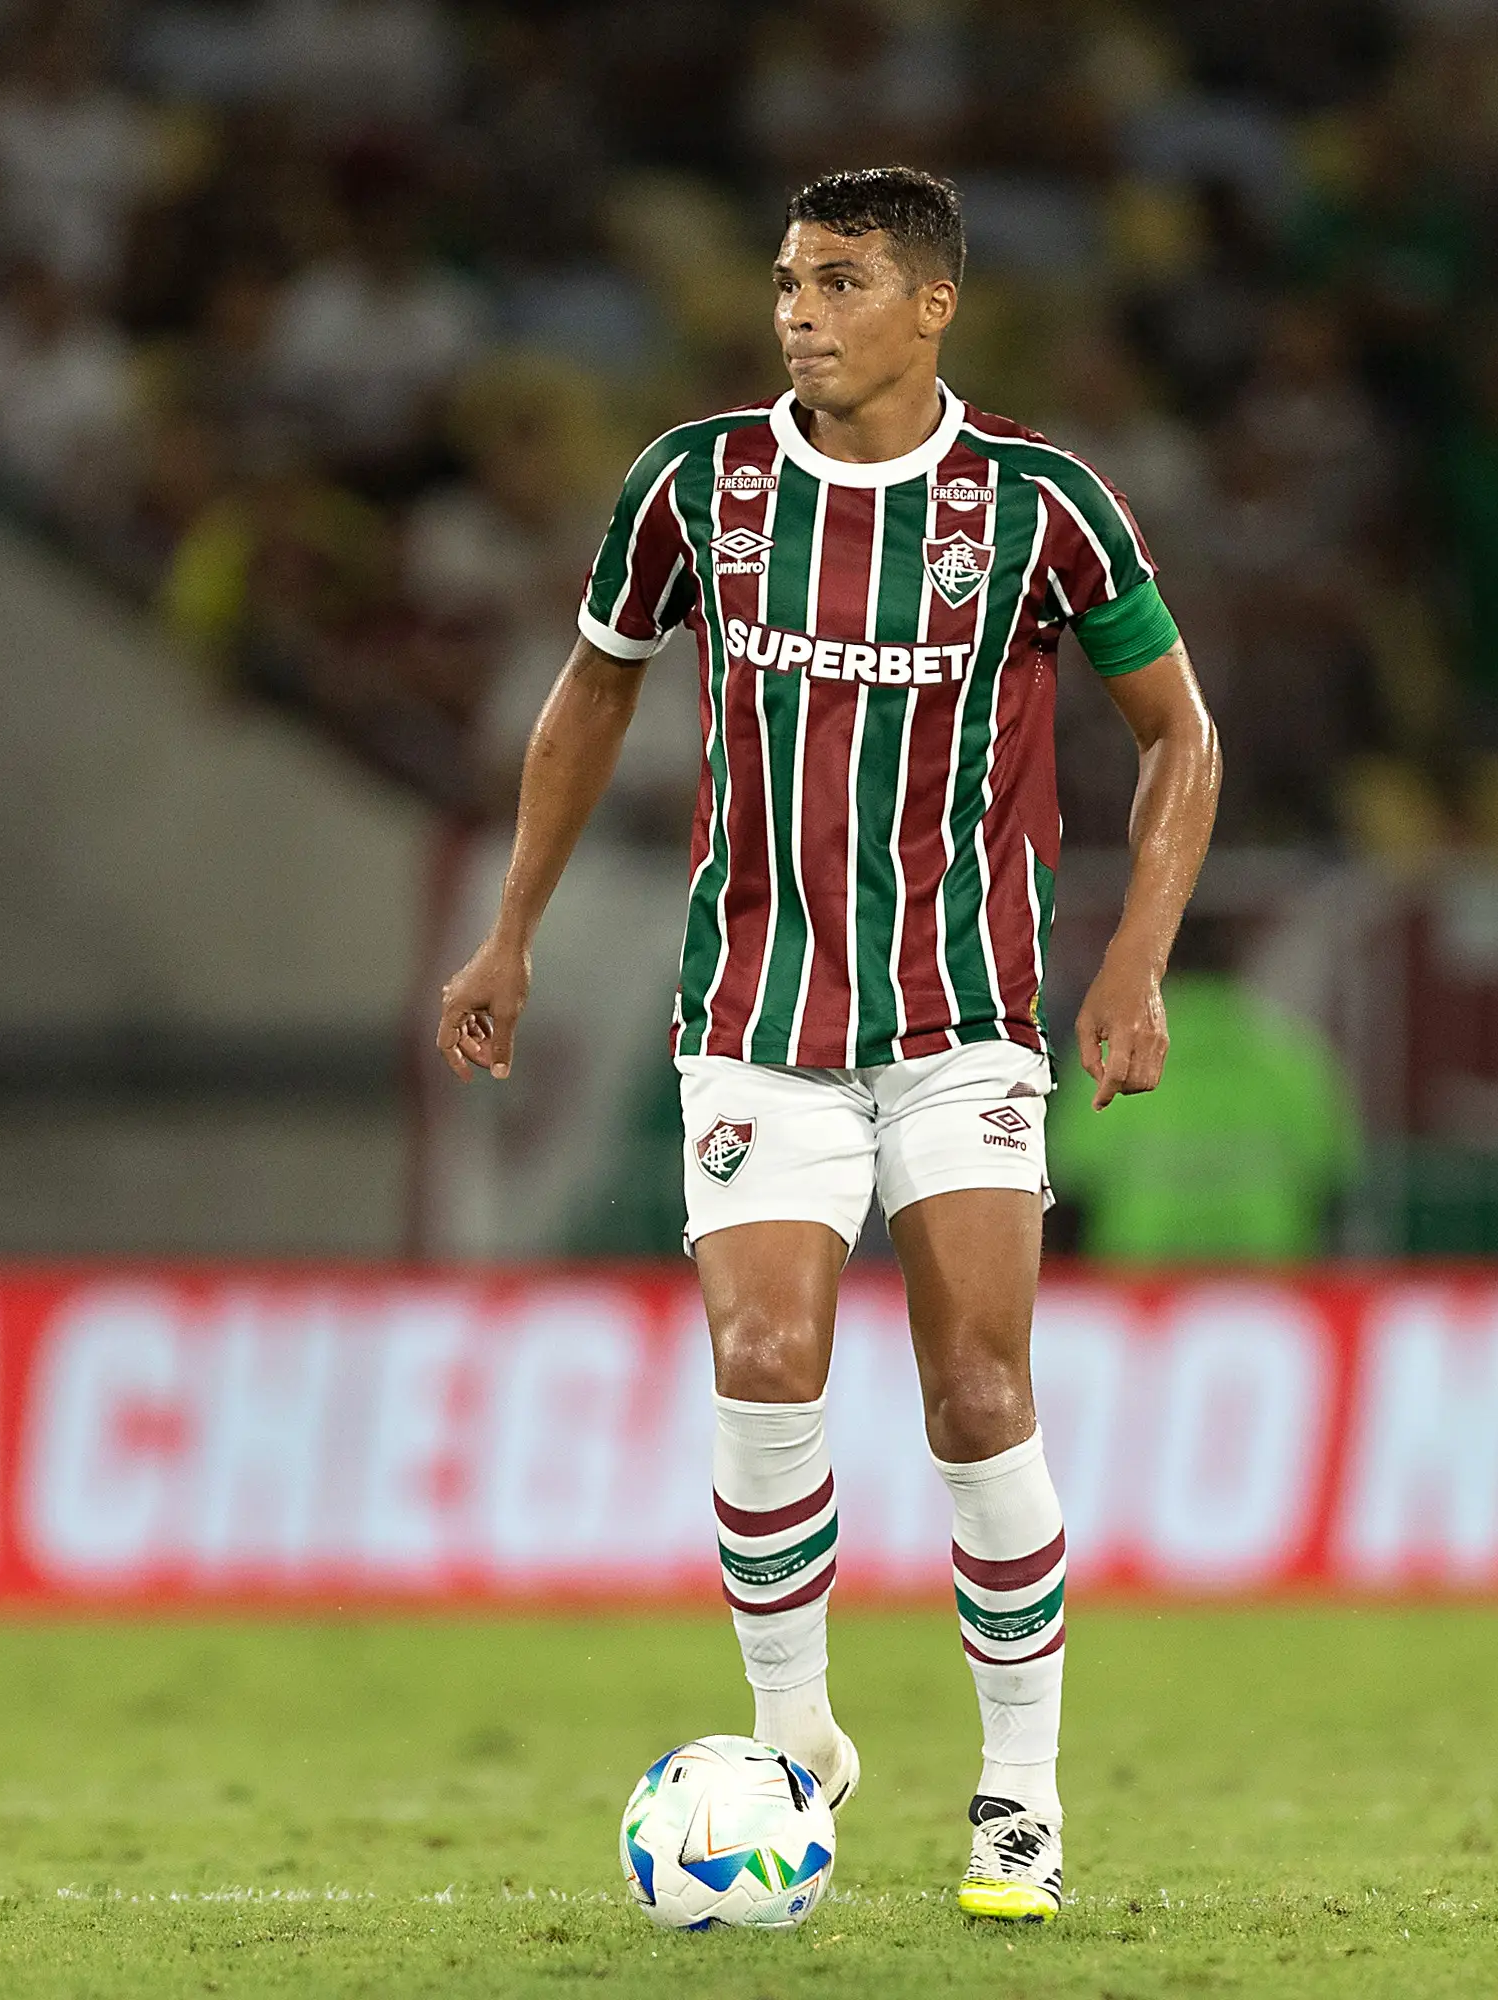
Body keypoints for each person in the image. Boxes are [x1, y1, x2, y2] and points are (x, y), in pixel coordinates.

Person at [434, 168, 1218, 1923]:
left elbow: (1181, 741)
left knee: (978, 1395)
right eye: (789, 278)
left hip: (962, 1018)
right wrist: (512, 930)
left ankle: (1019, 1791)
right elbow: (595, 689)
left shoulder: (1038, 504)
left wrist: (1138, 967)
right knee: (768, 1357)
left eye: (841, 280)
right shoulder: (690, 483)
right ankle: (798, 1740)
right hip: (758, 1017)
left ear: (931, 304)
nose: (800, 309)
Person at [1048, 918, 1356, 1264]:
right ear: (1235, 963)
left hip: (1138, 1278)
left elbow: (1070, 1180)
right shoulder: (1291, 1054)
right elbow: (1333, 1178)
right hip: (1270, 1278)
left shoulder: (1111, 1052)